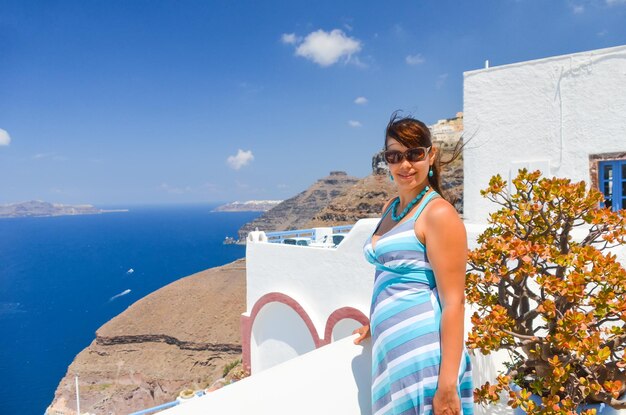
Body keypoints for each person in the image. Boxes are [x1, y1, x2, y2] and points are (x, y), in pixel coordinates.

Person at [353, 113, 473, 415]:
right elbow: (393, 273)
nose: (405, 165)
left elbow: (454, 302)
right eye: (395, 156)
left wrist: (447, 385)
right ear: (387, 161)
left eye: (414, 154)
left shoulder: (438, 214)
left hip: (425, 358)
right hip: (392, 354)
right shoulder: (389, 209)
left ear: (430, 156)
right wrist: (378, 317)